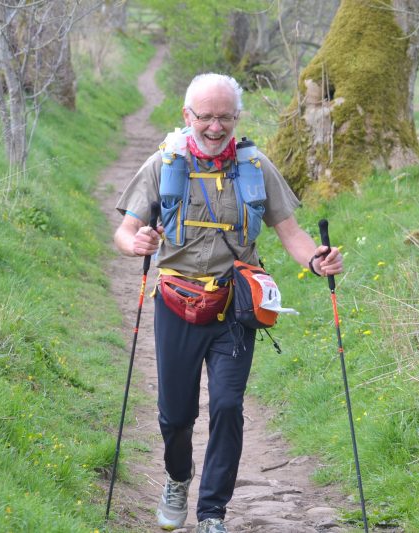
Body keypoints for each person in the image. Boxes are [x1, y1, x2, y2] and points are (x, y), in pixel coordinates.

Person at [114, 73, 343, 533]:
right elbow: (125, 231)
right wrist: (135, 242)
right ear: (187, 116)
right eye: (206, 117)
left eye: (224, 116)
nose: (215, 127)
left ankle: (212, 512)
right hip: (176, 300)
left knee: (226, 406)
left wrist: (317, 262)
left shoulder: (255, 166)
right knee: (175, 415)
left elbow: (293, 234)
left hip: (235, 304)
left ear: (236, 117)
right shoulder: (164, 164)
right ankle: (178, 477)